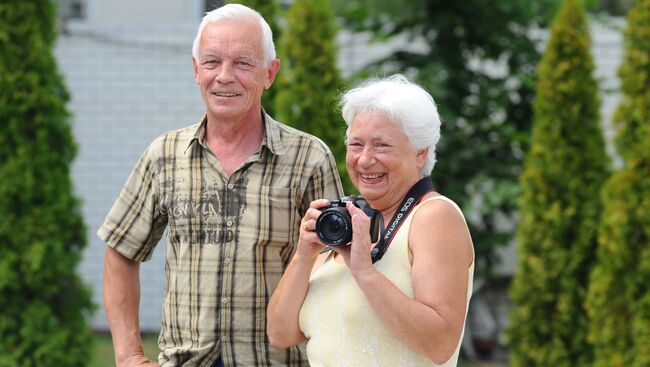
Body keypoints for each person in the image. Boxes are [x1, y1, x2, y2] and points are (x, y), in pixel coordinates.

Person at [99, 4, 343, 367]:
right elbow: (120, 252)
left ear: (270, 73)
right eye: (212, 62)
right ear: (196, 71)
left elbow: (337, 267)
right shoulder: (164, 155)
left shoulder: (309, 158)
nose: (225, 76)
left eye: (243, 63)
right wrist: (129, 355)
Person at [267, 74, 475, 366]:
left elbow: (439, 344)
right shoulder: (344, 222)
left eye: (381, 146)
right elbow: (280, 334)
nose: (364, 160)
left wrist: (364, 272)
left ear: (421, 153)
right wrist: (303, 255)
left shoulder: (433, 217)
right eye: (356, 145)